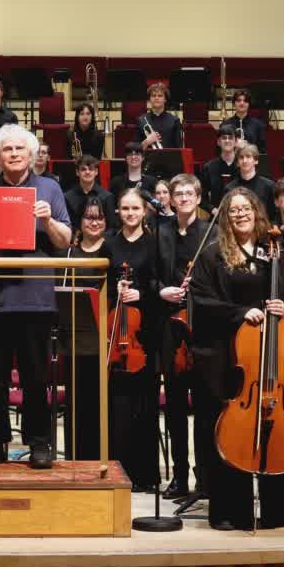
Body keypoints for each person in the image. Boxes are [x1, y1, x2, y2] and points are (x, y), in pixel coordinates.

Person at [189, 187, 284, 530]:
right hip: (224, 355)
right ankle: (228, 511)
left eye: (246, 208)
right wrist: (241, 312)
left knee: (274, 427)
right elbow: (202, 300)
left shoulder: (272, 254)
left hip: (266, 357)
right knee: (227, 430)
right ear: (225, 217)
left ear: (257, 212)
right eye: (233, 210)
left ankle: (281, 510)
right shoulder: (213, 256)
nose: (240, 214)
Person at [0, 124, 73, 469]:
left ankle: (39, 443)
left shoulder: (50, 188)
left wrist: (49, 221)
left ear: (32, 153)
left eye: (19, 149)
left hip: (36, 298)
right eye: (7, 149)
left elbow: (65, 239)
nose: (13, 154)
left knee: (36, 375)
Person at [157, 174, 212, 498]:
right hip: (170, 329)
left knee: (204, 409)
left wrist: (199, 289)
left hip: (202, 329)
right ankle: (179, 477)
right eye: (178, 193)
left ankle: (204, 476)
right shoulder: (160, 232)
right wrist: (162, 291)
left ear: (199, 197)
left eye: (190, 192)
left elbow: (221, 278)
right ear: (171, 199)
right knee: (175, 409)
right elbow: (150, 277)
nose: (184, 197)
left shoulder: (211, 233)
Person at [105, 188, 162, 492]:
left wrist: (143, 294)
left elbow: (160, 283)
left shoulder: (154, 244)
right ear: (118, 212)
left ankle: (145, 475)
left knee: (146, 406)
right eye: (124, 208)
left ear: (144, 211)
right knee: (118, 407)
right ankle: (118, 469)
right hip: (117, 335)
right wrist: (116, 291)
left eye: (135, 208)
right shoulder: (110, 245)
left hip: (144, 333)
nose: (129, 213)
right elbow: (102, 285)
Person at [60, 200, 112, 466]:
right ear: (80, 222)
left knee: (99, 405)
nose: (94, 222)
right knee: (76, 404)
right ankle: (75, 459)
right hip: (75, 339)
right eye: (89, 217)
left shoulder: (111, 251)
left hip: (106, 339)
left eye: (100, 217)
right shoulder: (69, 255)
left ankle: (98, 459)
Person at [197, 125, 241, 203]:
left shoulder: (242, 165)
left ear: (236, 142)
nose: (227, 141)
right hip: (216, 212)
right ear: (218, 142)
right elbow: (201, 195)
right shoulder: (208, 167)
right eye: (224, 138)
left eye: (230, 138)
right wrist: (212, 209)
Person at [229, 144, 276, 217]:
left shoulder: (269, 186)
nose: (244, 161)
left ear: (256, 160)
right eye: (241, 157)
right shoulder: (230, 188)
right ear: (237, 163)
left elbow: (274, 215)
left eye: (248, 156)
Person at [136, 83, 184, 152]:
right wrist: (147, 141)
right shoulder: (141, 120)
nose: (156, 98)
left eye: (160, 96)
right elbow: (134, 150)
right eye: (153, 96)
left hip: (168, 161)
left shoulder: (174, 120)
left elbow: (179, 149)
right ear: (149, 99)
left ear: (165, 99)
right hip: (147, 161)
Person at [63, 154, 111, 224]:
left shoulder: (107, 197)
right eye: (83, 169)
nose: (87, 172)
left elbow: (112, 228)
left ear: (96, 172)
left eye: (91, 169)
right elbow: (66, 224)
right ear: (77, 172)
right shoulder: (67, 197)